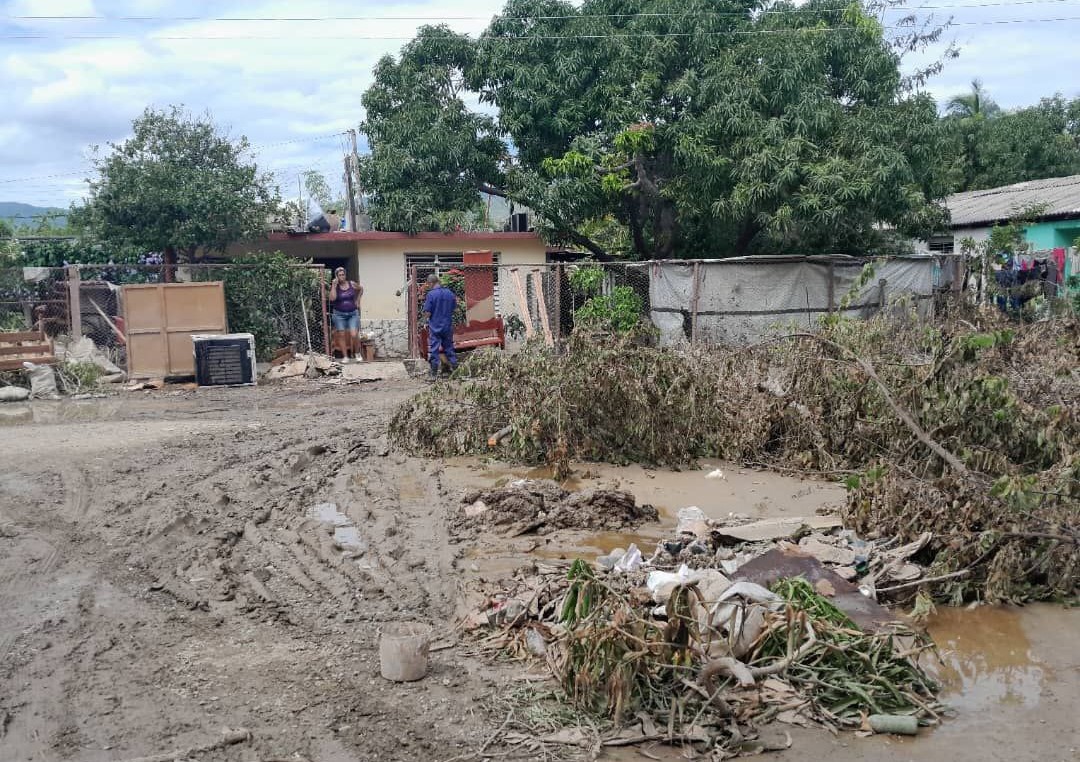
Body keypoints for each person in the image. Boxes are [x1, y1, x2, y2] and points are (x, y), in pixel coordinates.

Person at [422, 273, 457, 379]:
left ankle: (433, 374)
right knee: (449, 348)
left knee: (434, 350)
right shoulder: (449, 293)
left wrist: (424, 322)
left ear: (431, 283)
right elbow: (454, 309)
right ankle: (457, 372)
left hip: (435, 327)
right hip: (447, 326)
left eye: (428, 284)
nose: (428, 286)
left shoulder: (431, 295)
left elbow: (427, 312)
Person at [329, 267, 363, 361]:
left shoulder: (351, 284)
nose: (342, 277)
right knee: (341, 334)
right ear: (336, 276)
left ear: (345, 275)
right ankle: (345, 357)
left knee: (353, 334)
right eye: (339, 275)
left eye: (343, 274)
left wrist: (357, 300)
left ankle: (357, 353)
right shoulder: (335, 286)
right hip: (339, 314)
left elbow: (361, 289)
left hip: (353, 313)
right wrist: (333, 285)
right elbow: (332, 299)